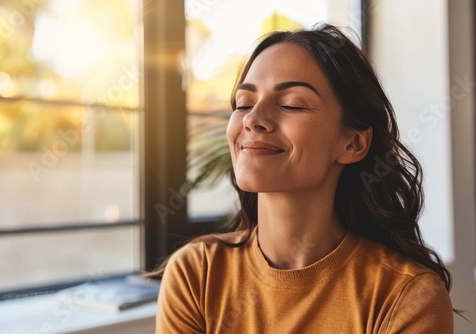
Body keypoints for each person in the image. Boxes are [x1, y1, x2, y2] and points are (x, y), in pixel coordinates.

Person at [155, 24, 455, 333]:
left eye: (291, 104)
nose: (252, 119)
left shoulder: (406, 297)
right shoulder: (196, 274)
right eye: (244, 103)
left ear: (352, 144)